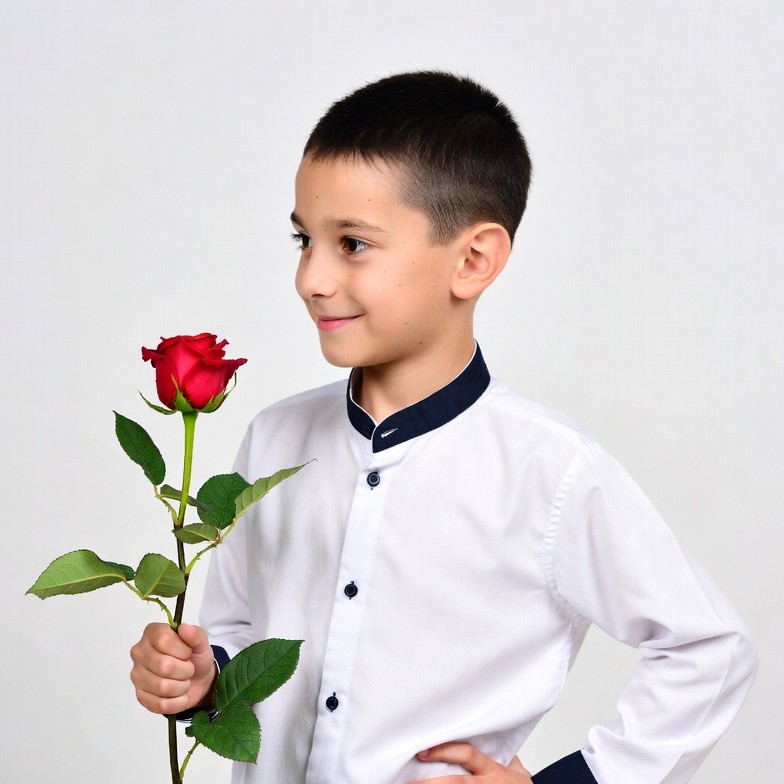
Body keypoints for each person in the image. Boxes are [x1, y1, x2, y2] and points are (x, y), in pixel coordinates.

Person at [130, 71, 757, 783]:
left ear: (473, 259)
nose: (311, 277)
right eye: (304, 239)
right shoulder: (273, 439)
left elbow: (711, 648)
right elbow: (240, 629)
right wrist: (200, 677)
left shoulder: (548, 472)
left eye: (353, 244)